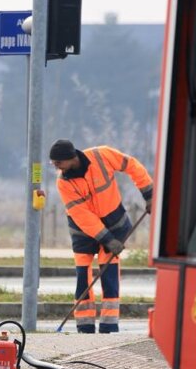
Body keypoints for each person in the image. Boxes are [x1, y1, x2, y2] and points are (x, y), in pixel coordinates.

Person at [46, 139, 152, 333]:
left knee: (109, 274)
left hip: (115, 224)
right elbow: (82, 215)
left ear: (71, 158)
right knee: (83, 277)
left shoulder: (102, 155)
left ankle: (109, 326)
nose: (56, 167)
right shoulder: (63, 183)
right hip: (83, 231)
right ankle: (85, 326)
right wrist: (107, 239)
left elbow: (133, 166)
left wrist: (149, 194)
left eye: (57, 163)